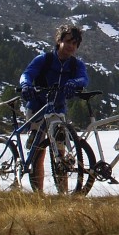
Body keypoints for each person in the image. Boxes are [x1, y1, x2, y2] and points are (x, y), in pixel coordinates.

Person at [19, 23, 89, 192]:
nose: (71, 46)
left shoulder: (75, 65)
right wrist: (26, 85)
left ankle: (63, 195)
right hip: (37, 109)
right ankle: (39, 194)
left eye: (74, 43)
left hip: (58, 110)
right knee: (38, 153)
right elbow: (27, 74)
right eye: (68, 41)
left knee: (60, 154)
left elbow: (84, 79)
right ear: (59, 41)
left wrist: (75, 82)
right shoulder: (45, 59)